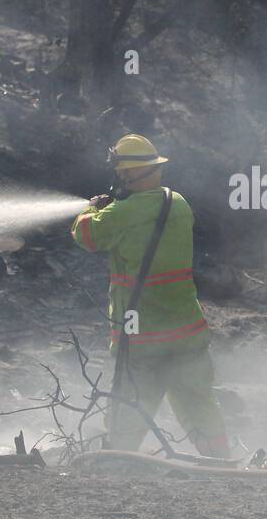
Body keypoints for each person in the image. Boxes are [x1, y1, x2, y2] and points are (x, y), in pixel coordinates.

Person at [70, 133, 231, 458]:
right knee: (199, 407)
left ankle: (116, 467)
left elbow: (85, 235)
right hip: (188, 332)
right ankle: (222, 466)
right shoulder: (179, 203)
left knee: (126, 411)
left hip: (141, 338)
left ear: (128, 174)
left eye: (121, 174)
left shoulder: (121, 214)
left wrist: (90, 209)